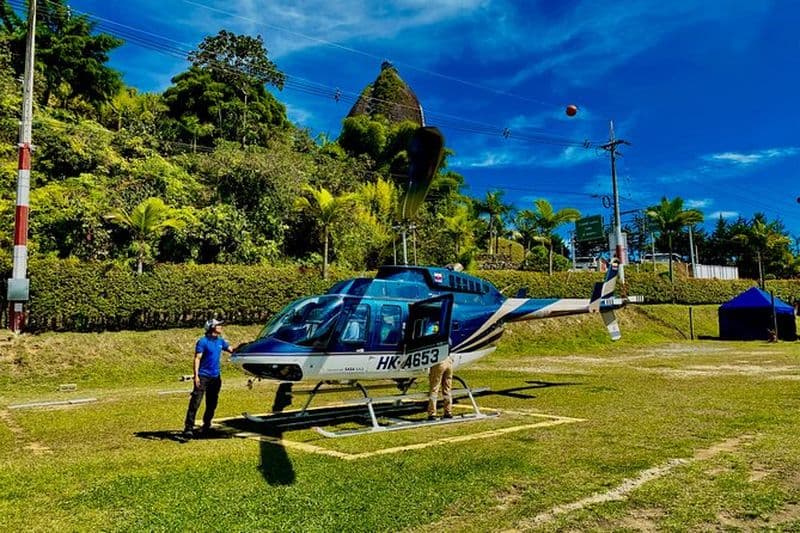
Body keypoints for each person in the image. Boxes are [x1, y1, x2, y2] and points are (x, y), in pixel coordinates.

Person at [183, 318, 233, 438]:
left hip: (215, 378)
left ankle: (206, 425)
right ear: (211, 328)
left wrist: (247, 347)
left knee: (212, 403)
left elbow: (232, 350)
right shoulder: (203, 342)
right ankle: (188, 428)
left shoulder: (221, 341)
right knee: (195, 402)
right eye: (218, 325)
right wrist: (196, 377)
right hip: (203, 376)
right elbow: (197, 359)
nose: (221, 327)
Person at [427, 353, 453, 420]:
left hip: (439, 361)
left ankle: (432, 413)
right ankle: (448, 411)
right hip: (448, 361)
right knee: (447, 389)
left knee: (434, 388)